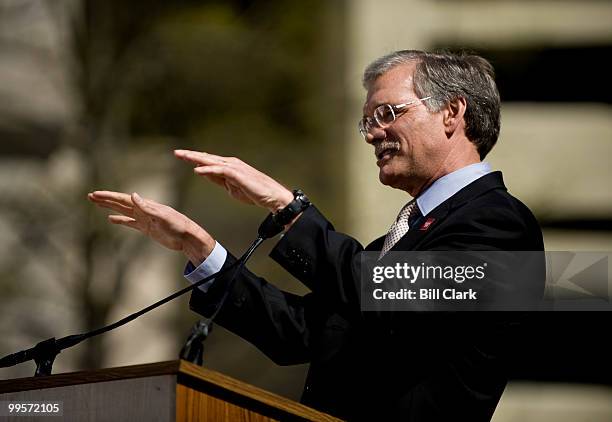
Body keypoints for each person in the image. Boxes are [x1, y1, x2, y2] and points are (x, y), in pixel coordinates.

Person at [89, 50, 544, 421]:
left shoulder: (500, 223)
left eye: (387, 113)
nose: (373, 134)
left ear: (452, 112)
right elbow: (301, 333)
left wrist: (288, 208)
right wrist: (201, 249)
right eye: (368, 121)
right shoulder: (404, 236)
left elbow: (387, 296)